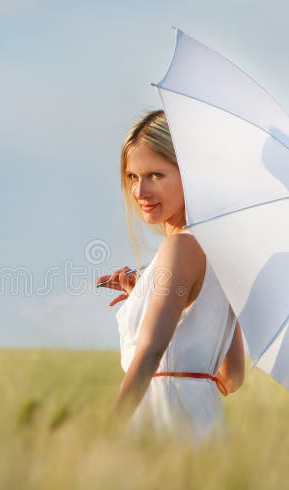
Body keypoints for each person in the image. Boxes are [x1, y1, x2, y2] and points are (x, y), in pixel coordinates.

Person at [98, 109, 245, 445]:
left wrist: (104, 434)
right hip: (204, 426)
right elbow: (231, 377)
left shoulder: (179, 248)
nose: (140, 191)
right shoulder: (221, 256)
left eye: (156, 175)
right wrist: (149, 295)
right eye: (133, 177)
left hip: (165, 426)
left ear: (191, 174)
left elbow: (149, 352)